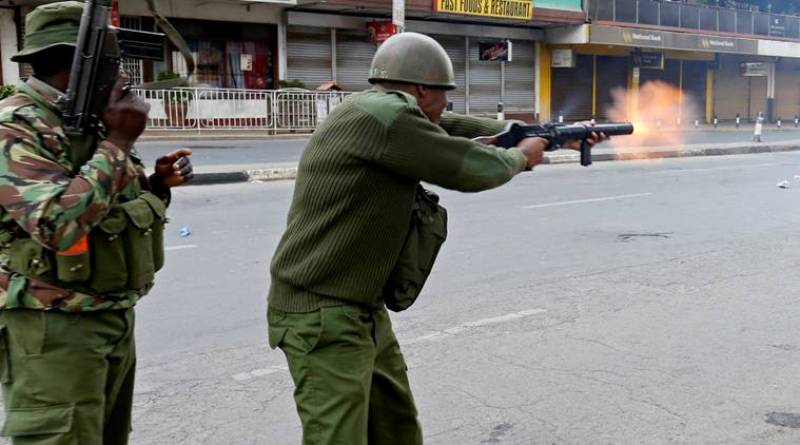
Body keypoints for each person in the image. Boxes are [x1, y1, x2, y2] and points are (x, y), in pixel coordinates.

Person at [267, 31, 606, 444]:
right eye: (444, 93)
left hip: (360, 309)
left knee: (398, 430)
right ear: (421, 88)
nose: (447, 102)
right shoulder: (389, 119)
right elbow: (469, 167)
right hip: (322, 314)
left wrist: (535, 133)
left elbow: (447, 124)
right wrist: (522, 156)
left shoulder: (375, 109)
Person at [0, 2, 193, 443]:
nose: (123, 75)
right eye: (113, 62)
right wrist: (120, 140)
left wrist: (155, 184)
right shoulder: (16, 126)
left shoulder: (87, 122)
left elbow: (103, 207)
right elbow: (56, 223)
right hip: (53, 326)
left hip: (109, 316)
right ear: (78, 62)